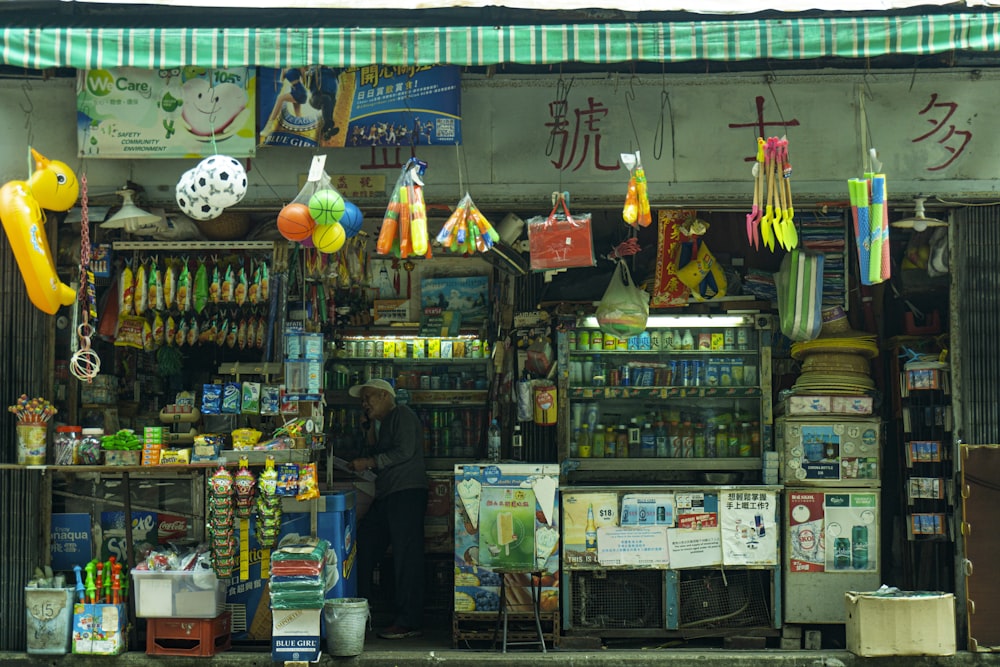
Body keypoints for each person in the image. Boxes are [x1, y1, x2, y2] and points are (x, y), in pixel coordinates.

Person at [348, 378, 427, 640]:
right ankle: (362, 609)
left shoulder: (402, 414)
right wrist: (368, 428)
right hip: (387, 495)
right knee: (365, 546)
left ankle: (409, 621)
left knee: (407, 557)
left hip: (406, 493)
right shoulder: (383, 424)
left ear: (384, 395)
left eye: (368, 397)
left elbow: (404, 451)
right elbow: (379, 450)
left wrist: (370, 462)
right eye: (362, 400)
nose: (365, 403)